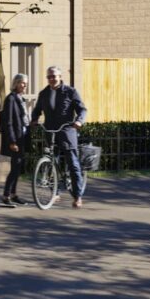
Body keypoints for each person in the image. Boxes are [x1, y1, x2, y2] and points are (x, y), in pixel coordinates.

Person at [33, 64, 87, 207]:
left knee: (72, 162)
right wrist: (34, 119)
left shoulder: (70, 92)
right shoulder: (44, 93)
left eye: (54, 76)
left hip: (67, 131)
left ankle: (77, 196)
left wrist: (79, 121)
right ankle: (55, 192)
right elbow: (37, 109)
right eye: (49, 76)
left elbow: (81, 109)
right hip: (50, 131)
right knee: (52, 161)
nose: (51, 79)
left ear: (60, 77)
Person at [0, 72, 33, 207]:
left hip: (21, 138)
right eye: (22, 83)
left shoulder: (20, 98)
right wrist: (12, 141)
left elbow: (23, 119)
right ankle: (6, 196)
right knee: (15, 168)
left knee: (18, 168)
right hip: (15, 139)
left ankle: (13, 194)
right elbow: (8, 122)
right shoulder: (10, 99)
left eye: (26, 83)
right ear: (16, 83)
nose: (24, 85)